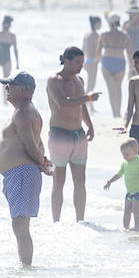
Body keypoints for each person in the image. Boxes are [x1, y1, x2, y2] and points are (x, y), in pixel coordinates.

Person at [0, 72, 52, 267]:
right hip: (21, 173)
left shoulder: (23, 112)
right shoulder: (27, 111)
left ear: (25, 89)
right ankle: (25, 267)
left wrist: (42, 162)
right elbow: (38, 144)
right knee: (20, 225)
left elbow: (31, 145)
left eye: (11, 85)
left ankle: (26, 269)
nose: (7, 89)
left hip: (22, 172)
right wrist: (42, 160)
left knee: (20, 226)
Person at [46, 47, 100, 222]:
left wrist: (90, 125)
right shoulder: (55, 80)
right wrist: (89, 98)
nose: (80, 66)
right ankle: (56, 221)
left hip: (79, 134)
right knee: (58, 182)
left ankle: (80, 220)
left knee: (80, 182)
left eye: (82, 63)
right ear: (66, 61)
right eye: (77, 62)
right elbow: (62, 103)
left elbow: (81, 106)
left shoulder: (79, 80)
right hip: (60, 134)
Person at [104, 138, 139, 231]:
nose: (124, 157)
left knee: (135, 210)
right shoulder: (124, 163)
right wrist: (110, 181)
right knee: (126, 211)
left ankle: (138, 227)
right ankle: (126, 228)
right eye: (123, 155)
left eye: (127, 154)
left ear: (136, 151)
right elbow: (119, 174)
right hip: (129, 192)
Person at [96, 14, 131, 118]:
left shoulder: (103, 35)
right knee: (118, 88)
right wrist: (132, 68)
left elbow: (98, 54)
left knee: (111, 90)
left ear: (109, 23)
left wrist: (94, 63)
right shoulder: (125, 35)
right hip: (120, 62)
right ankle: (118, 112)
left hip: (107, 62)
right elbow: (130, 53)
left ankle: (115, 114)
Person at [82, 16, 102, 102]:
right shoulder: (96, 35)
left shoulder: (86, 34)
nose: (101, 25)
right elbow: (96, 50)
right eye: (100, 23)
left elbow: (83, 48)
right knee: (91, 85)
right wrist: (99, 59)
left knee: (90, 84)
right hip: (92, 61)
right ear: (95, 24)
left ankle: (89, 105)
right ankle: (87, 104)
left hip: (86, 61)